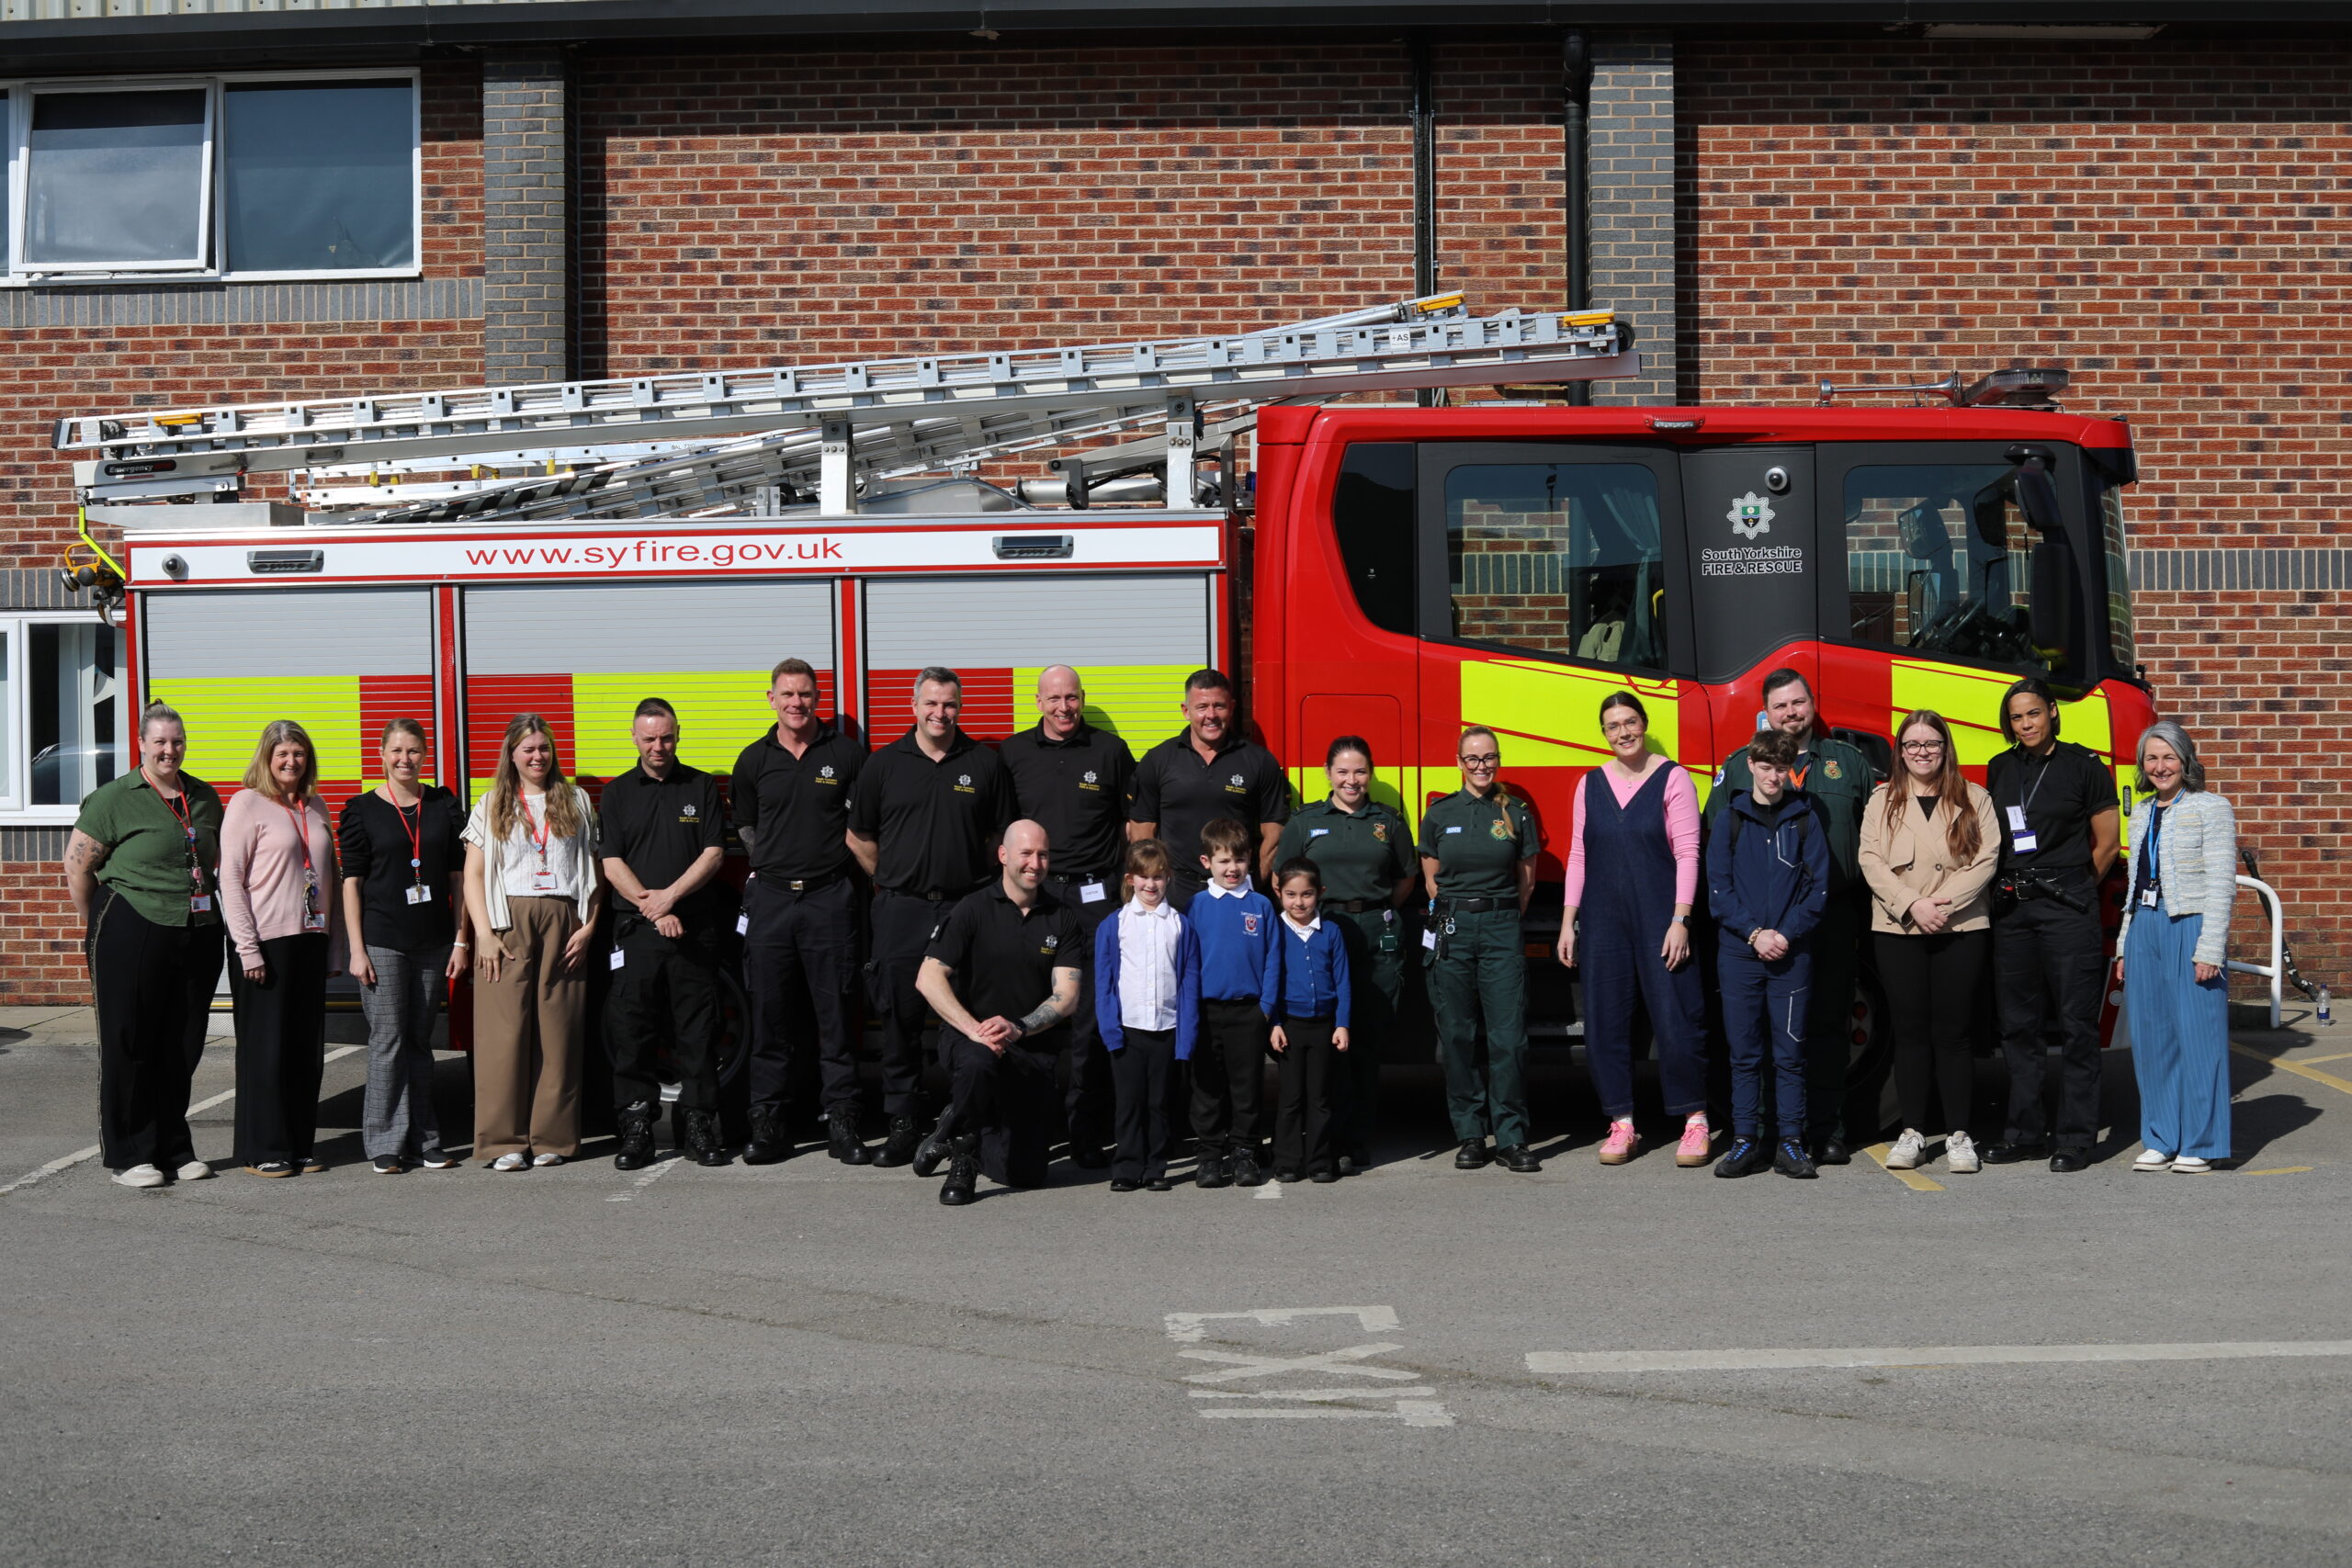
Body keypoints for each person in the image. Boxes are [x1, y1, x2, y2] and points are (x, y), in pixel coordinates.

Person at [850, 666, 1018, 1168]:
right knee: (899, 1015)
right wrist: (896, 877)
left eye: (949, 704)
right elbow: (858, 836)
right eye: (931, 703)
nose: (940, 713)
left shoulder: (984, 765)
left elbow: (1000, 839)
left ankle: (964, 1123)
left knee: (967, 1015)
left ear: (959, 707)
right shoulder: (882, 766)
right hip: (900, 908)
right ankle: (903, 1125)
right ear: (914, 705)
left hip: (966, 907)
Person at [1704, 668, 1873, 1163]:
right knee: (1755, 1033)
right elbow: (1716, 837)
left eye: (1798, 702)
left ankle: (1823, 1130)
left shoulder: (1848, 761)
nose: (1791, 713)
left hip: (1832, 912)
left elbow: (1878, 828)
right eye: (1780, 706)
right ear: (1766, 711)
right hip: (1756, 923)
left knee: (1823, 1024)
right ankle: (1755, 1133)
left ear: (1812, 703)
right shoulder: (1740, 765)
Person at [65, 702, 228, 1190]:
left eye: (176, 741)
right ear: (141, 743)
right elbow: (77, 867)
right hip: (130, 923)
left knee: (182, 1043)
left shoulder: (202, 796)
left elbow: (212, 861)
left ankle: (173, 1146)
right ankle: (130, 1153)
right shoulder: (114, 798)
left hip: (195, 929)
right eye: (159, 741)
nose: (169, 750)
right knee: (130, 1041)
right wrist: (93, 922)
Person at [1557, 693, 1709, 1168]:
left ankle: (1695, 1121)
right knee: (1604, 1021)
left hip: (1660, 919)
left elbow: (1688, 853)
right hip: (1603, 921)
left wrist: (1681, 919)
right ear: (1603, 733)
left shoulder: (1673, 778)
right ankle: (1622, 1122)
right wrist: (1568, 921)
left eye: (1629, 722)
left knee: (1677, 1017)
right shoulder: (1590, 784)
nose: (1622, 733)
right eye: (1611, 726)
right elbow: (1578, 856)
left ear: (1645, 723)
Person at [1000, 664, 1138, 1168]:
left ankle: (1084, 1131)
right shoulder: (1013, 754)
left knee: (1089, 1020)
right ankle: (1027, 1128)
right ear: (1038, 702)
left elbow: (1135, 823)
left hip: (1095, 902)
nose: (1064, 708)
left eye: (1072, 698)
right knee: (1026, 1012)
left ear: (1083, 699)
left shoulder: (1110, 752)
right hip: (1033, 901)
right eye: (1054, 698)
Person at [733, 656, 868, 1167]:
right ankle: (769, 1125)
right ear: (772, 698)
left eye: (806, 694)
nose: (797, 703)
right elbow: (746, 825)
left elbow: (863, 825)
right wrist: (772, 861)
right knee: (770, 1019)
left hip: (829, 898)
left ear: (818, 697)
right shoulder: (753, 759)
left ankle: (842, 1123)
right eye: (787, 694)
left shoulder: (847, 754)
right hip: (769, 900)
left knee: (836, 1016)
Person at [1983, 677, 2120, 1173]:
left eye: (2034, 714)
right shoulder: (2000, 768)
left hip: (2067, 902)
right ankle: (2024, 1134)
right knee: (2018, 1026)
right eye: (2017, 717)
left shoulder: (2085, 767)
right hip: (2013, 906)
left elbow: (2105, 843)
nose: (2026, 724)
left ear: (2053, 714)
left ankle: (2076, 1139)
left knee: (2077, 1025)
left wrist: (2076, 887)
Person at [1858, 709, 2000, 1175]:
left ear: (1946, 748)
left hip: (1959, 926)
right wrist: (1912, 905)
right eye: (1913, 745)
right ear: (1900, 752)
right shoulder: (1883, 801)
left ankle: (1959, 1134)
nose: (1922, 752)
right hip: (1900, 927)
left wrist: (1940, 904)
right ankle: (1913, 1132)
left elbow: (1986, 859)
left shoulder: (1974, 798)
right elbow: (1870, 859)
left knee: (1954, 1034)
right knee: (1911, 1032)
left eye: (1931, 744)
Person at [915, 820, 1086, 1206]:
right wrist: (973, 1029)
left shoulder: (1062, 917)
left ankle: (955, 1119)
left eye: (1043, 854)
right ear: (1004, 855)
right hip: (971, 1041)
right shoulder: (972, 908)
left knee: (1027, 1175)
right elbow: (928, 977)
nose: (1035, 863)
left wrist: (1019, 1027)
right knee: (978, 1063)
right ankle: (964, 1154)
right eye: (1026, 853)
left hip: (1029, 1046)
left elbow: (1067, 995)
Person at [461, 713, 603, 1171]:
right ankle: (503, 1141)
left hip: (564, 919)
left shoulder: (577, 800)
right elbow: (474, 875)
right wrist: (482, 934)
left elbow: (594, 873)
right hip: (508, 924)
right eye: (528, 749)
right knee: (504, 1035)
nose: (537, 756)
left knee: (559, 1034)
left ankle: (552, 1139)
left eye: (543, 748)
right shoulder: (491, 805)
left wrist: (589, 926)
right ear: (512, 754)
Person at [600, 699, 731, 1171]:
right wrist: (652, 910)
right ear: (634, 738)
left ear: (679, 735)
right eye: (649, 738)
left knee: (699, 1034)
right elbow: (611, 862)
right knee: (633, 1033)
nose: (659, 746)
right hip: (637, 932)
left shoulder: (701, 785)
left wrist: (669, 899)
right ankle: (637, 1130)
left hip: (694, 930)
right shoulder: (616, 794)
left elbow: (714, 853)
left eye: (667, 737)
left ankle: (698, 1128)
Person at [1274, 736, 1416, 1172]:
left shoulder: (1388, 821)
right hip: (1321, 933)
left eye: (1359, 771)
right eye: (1342, 771)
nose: (1351, 780)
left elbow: (1404, 879)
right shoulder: (1305, 821)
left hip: (1373, 934)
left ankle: (1355, 1141)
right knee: (1321, 1042)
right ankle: (1322, 1141)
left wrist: (1373, 909)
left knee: (1364, 1042)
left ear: (1370, 774)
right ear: (1327, 773)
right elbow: (1283, 878)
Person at [338, 718, 468, 1176]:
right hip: (384, 942)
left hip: (433, 943)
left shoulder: (443, 806)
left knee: (419, 1042)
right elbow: (351, 884)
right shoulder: (360, 811)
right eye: (396, 751)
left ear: (425, 753)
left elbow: (458, 878)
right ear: (381, 754)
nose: (405, 759)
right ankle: (384, 1143)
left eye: (413, 751)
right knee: (388, 1042)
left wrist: (460, 938)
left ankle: (424, 1139)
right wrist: (357, 950)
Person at [218, 720, 344, 1179]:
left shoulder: (316, 805)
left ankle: (298, 1144)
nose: (291, 762)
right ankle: (262, 1148)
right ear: (267, 758)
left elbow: (331, 879)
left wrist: (334, 948)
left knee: (303, 1051)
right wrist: (247, 948)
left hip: (310, 940)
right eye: (282, 754)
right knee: (266, 1050)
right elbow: (229, 878)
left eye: (299, 754)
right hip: (265, 944)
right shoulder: (246, 803)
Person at [1706, 728, 1830, 1179]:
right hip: (1740, 953)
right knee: (1743, 1052)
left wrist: (1784, 934)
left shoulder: (1805, 818)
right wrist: (1755, 933)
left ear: (1789, 770)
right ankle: (1744, 1141)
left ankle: (1791, 1142)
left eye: (1781, 767)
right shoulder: (1730, 818)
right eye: (1765, 766)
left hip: (1791, 953)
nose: (1773, 776)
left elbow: (1818, 890)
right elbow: (1718, 891)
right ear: (1751, 767)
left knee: (1790, 1052)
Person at [2115, 721, 2236, 1174]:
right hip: (2146, 925)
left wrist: (2210, 948)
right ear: (2142, 766)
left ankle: (2201, 1143)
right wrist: (2125, 946)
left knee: (2199, 1037)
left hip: (2192, 924)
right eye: (2151, 758)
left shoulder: (2212, 807)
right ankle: (2161, 1136)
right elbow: (2133, 885)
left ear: (2185, 761)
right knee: (2151, 1039)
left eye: (2168, 757)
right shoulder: (2142, 811)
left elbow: (2223, 883)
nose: (2160, 766)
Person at [1419, 726, 1541, 1174]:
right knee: (1457, 1034)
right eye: (1472, 759)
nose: (1481, 766)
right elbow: (1431, 878)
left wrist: (1499, 914)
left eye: (1489, 757)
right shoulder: (1439, 813)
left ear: (1498, 760)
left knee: (1508, 1037)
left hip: (1501, 926)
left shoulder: (1517, 812)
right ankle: (1470, 1134)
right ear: (1458, 762)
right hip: (1453, 927)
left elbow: (1526, 880)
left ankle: (1510, 1136)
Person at [1130, 668, 1291, 907]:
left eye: (1219, 706)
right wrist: (1155, 885)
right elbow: (1142, 831)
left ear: (1232, 707)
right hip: (1176, 891)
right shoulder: (1158, 760)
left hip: (1236, 890)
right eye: (1202, 707)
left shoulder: (1260, 761)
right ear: (1186, 711)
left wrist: (1252, 883)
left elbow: (1274, 835)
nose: (1211, 715)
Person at [1091, 839, 1200, 1192]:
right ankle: (1125, 1167)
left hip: (1166, 1030)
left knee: (1159, 1104)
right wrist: (1110, 1030)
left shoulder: (1181, 926)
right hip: (1128, 1030)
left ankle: (1156, 1167)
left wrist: (1185, 1039)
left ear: (1168, 878)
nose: (1150, 885)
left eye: (1157, 877)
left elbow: (1188, 982)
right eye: (1143, 877)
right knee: (1128, 1103)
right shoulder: (1114, 925)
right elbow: (1104, 982)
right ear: (1130, 879)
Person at [1269, 856, 1351, 1184]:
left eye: (1306, 894)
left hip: (1323, 1026)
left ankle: (1320, 1161)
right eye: (1291, 895)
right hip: (1289, 1025)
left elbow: (1343, 981)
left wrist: (1342, 1023)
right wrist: (1273, 1022)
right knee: (1290, 1097)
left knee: (1319, 1097)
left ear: (1320, 893)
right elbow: (1269, 979)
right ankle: (1287, 1161)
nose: (1298, 902)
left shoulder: (1330, 931)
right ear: (1279, 893)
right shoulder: (1274, 930)